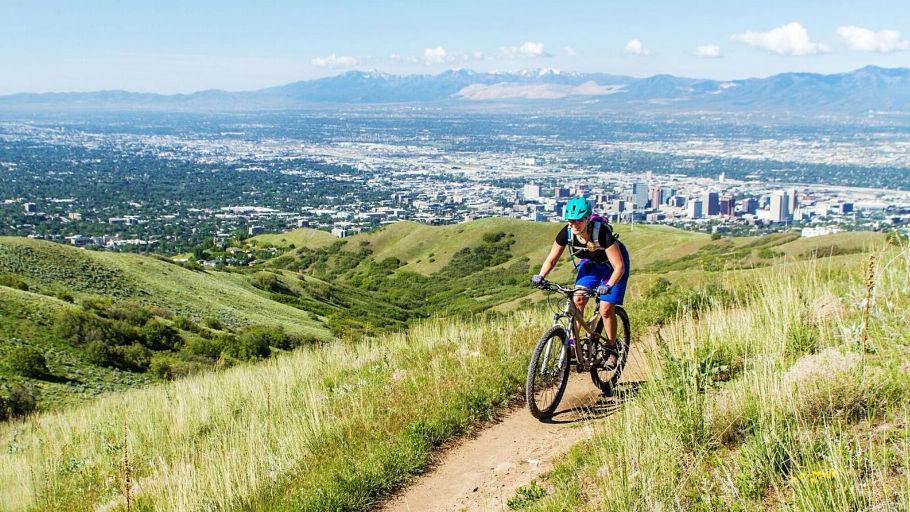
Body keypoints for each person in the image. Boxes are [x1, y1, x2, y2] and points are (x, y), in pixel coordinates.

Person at [531, 196, 630, 370]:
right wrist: (541, 276)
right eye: (571, 220)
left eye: (578, 220)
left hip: (612, 268)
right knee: (577, 300)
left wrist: (608, 285)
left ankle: (612, 348)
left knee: (606, 308)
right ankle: (573, 344)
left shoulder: (602, 234)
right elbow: (552, 259)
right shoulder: (567, 233)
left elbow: (619, 266)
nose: (574, 224)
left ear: (587, 219)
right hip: (591, 266)